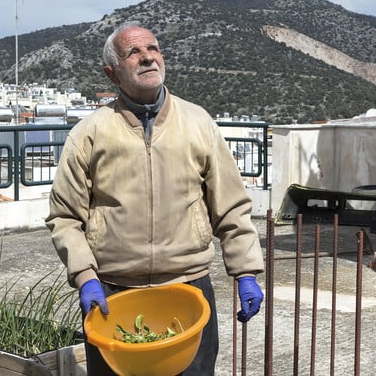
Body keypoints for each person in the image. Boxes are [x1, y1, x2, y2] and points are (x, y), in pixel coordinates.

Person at [45, 21, 265, 376]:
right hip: (114, 294)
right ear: (112, 73)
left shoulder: (198, 122)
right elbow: (65, 217)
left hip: (188, 290)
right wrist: (85, 277)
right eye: (134, 52)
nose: (148, 58)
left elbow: (231, 206)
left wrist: (246, 272)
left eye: (153, 49)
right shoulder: (89, 133)